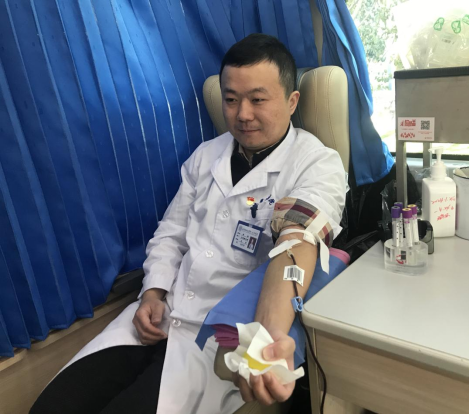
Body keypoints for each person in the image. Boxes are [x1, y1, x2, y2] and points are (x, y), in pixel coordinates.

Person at [31, 33, 346, 415]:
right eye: (231, 99)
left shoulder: (317, 163)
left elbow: (296, 244)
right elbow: (171, 233)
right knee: (52, 405)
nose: (242, 114)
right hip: (164, 312)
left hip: (221, 332)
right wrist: (153, 293)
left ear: (292, 101)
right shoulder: (206, 156)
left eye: (258, 99)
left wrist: (268, 336)